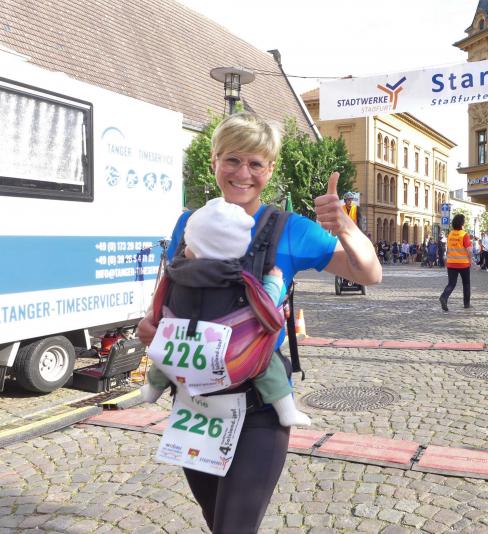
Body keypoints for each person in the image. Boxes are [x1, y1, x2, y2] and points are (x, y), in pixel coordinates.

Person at [135, 112, 381, 533]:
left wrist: (345, 227)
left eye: (255, 163)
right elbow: (172, 288)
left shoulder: (290, 229)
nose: (243, 173)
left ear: (270, 169)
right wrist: (151, 324)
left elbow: (368, 273)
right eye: (232, 160)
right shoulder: (189, 223)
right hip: (194, 404)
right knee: (217, 520)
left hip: (259, 405)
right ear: (214, 161)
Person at [140, 197, 311, 427]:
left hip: (186, 353)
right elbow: (266, 305)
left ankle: (152, 389)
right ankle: (286, 410)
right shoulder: (238, 279)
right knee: (267, 363)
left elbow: (160, 304)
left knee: (167, 352)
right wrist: (275, 282)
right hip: (231, 359)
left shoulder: (176, 274)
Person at [439, 213, 472, 312]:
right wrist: (470, 260)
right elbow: (469, 250)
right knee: (466, 283)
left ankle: (444, 297)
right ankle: (466, 303)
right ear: (462, 223)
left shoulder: (450, 234)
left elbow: (448, 248)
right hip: (463, 263)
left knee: (451, 283)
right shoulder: (464, 235)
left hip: (451, 263)